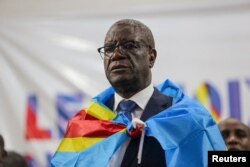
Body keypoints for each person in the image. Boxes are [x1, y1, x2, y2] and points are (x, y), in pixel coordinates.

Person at [51, 19, 226, 167]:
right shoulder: (85, 124)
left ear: (151, 57)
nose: (117, 55)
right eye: (109, 49)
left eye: (129, 45)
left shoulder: (187, 118)